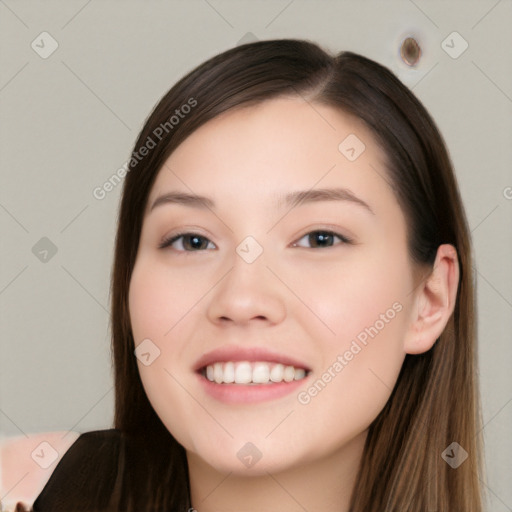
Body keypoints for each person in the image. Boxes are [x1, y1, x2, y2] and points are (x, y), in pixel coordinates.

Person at [0, 38, 484, 511]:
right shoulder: (25, 487)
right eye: (192, 241)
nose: (241, 298)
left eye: (319, 238)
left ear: (429, 299)